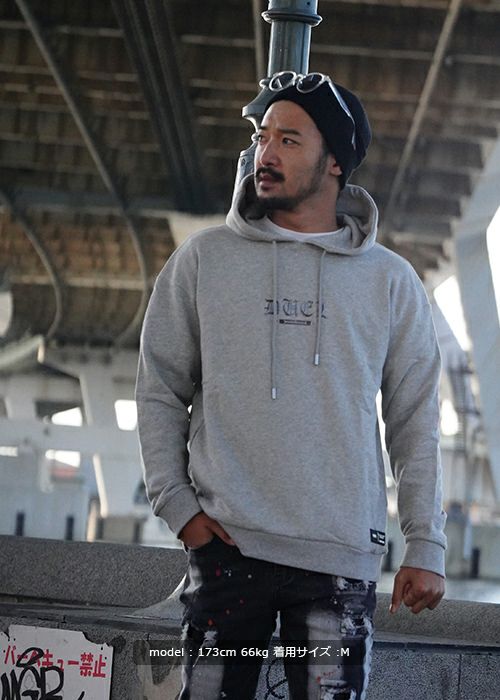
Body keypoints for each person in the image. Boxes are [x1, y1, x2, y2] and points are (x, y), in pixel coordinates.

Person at [135, 71, 447, 700]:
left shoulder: (391, 281)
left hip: (339, 559)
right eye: (262, 136)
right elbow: (160, 388)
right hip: (227, 551)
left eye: (288, 139)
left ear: (335, 163)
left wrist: (426, 543)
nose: (265, 152)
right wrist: (180, 509)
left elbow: (414, 418)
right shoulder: (203, 259)